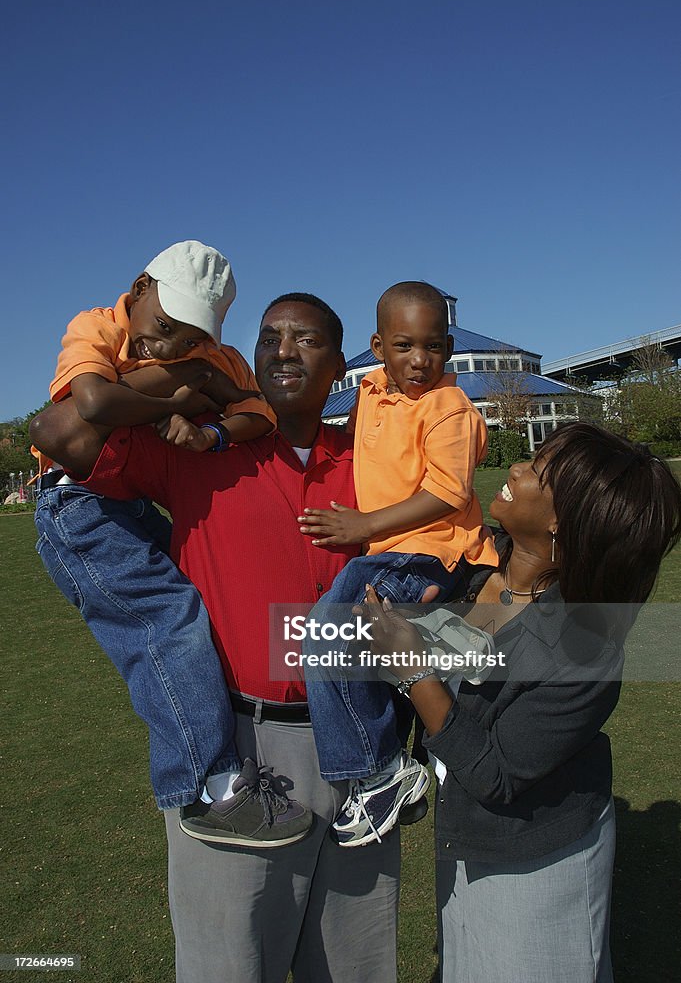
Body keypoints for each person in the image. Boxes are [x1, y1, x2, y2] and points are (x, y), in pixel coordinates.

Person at [30, 293, 401, 983]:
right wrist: (187, 381)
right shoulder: (197, 443)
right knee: (227, 967)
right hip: (242, 750)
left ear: (339, 366)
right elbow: (59, 432)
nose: (283, 350)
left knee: (357, 966)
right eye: (269, 338)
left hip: (361, 750)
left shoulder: (378, 463)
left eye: (307, 340)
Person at [363, 422, 681, 983]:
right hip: (467, 841)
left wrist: (412, 669)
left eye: (538, 471)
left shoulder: (586, 649)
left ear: (563, 521)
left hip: (535, 859)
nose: (516, 469)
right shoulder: (473, 571)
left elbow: (496, 774)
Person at [32, 241, 314, 848]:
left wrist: (211, 432)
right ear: (138, 289)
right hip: (79, 504)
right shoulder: (98, 328)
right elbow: (90, 402)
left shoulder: (212, 355)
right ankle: (208, 785)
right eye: (162, 327)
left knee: (195, 600)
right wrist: (177, 397)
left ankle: (211, 763)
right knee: (166, 618)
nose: (168, 347)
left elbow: (258, 412)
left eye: (187, 339)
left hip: (128, 503)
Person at [296, 281, 498, 846]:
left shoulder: (447, 406)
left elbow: (449, 493)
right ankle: (449, 650)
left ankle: (382, 771)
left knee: (325, 636)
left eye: (432, 347)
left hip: (424, 550)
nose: (419, 360)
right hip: (392, 553)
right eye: (404, 346)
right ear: (378, 345)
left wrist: (364, 525)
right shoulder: (371, 393)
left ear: (450, 346)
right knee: (359, 644)